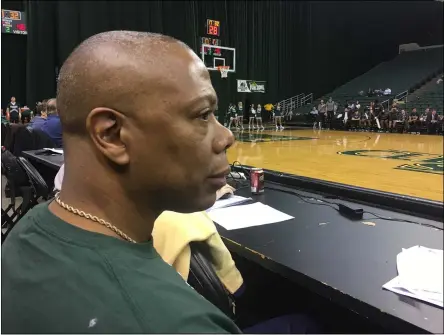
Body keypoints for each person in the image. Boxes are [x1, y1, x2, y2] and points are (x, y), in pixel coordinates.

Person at [1, 31, 240, 334]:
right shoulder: (179, 323)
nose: (226, 137)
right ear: (111, 136)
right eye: (203, 115)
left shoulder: (29, 228)